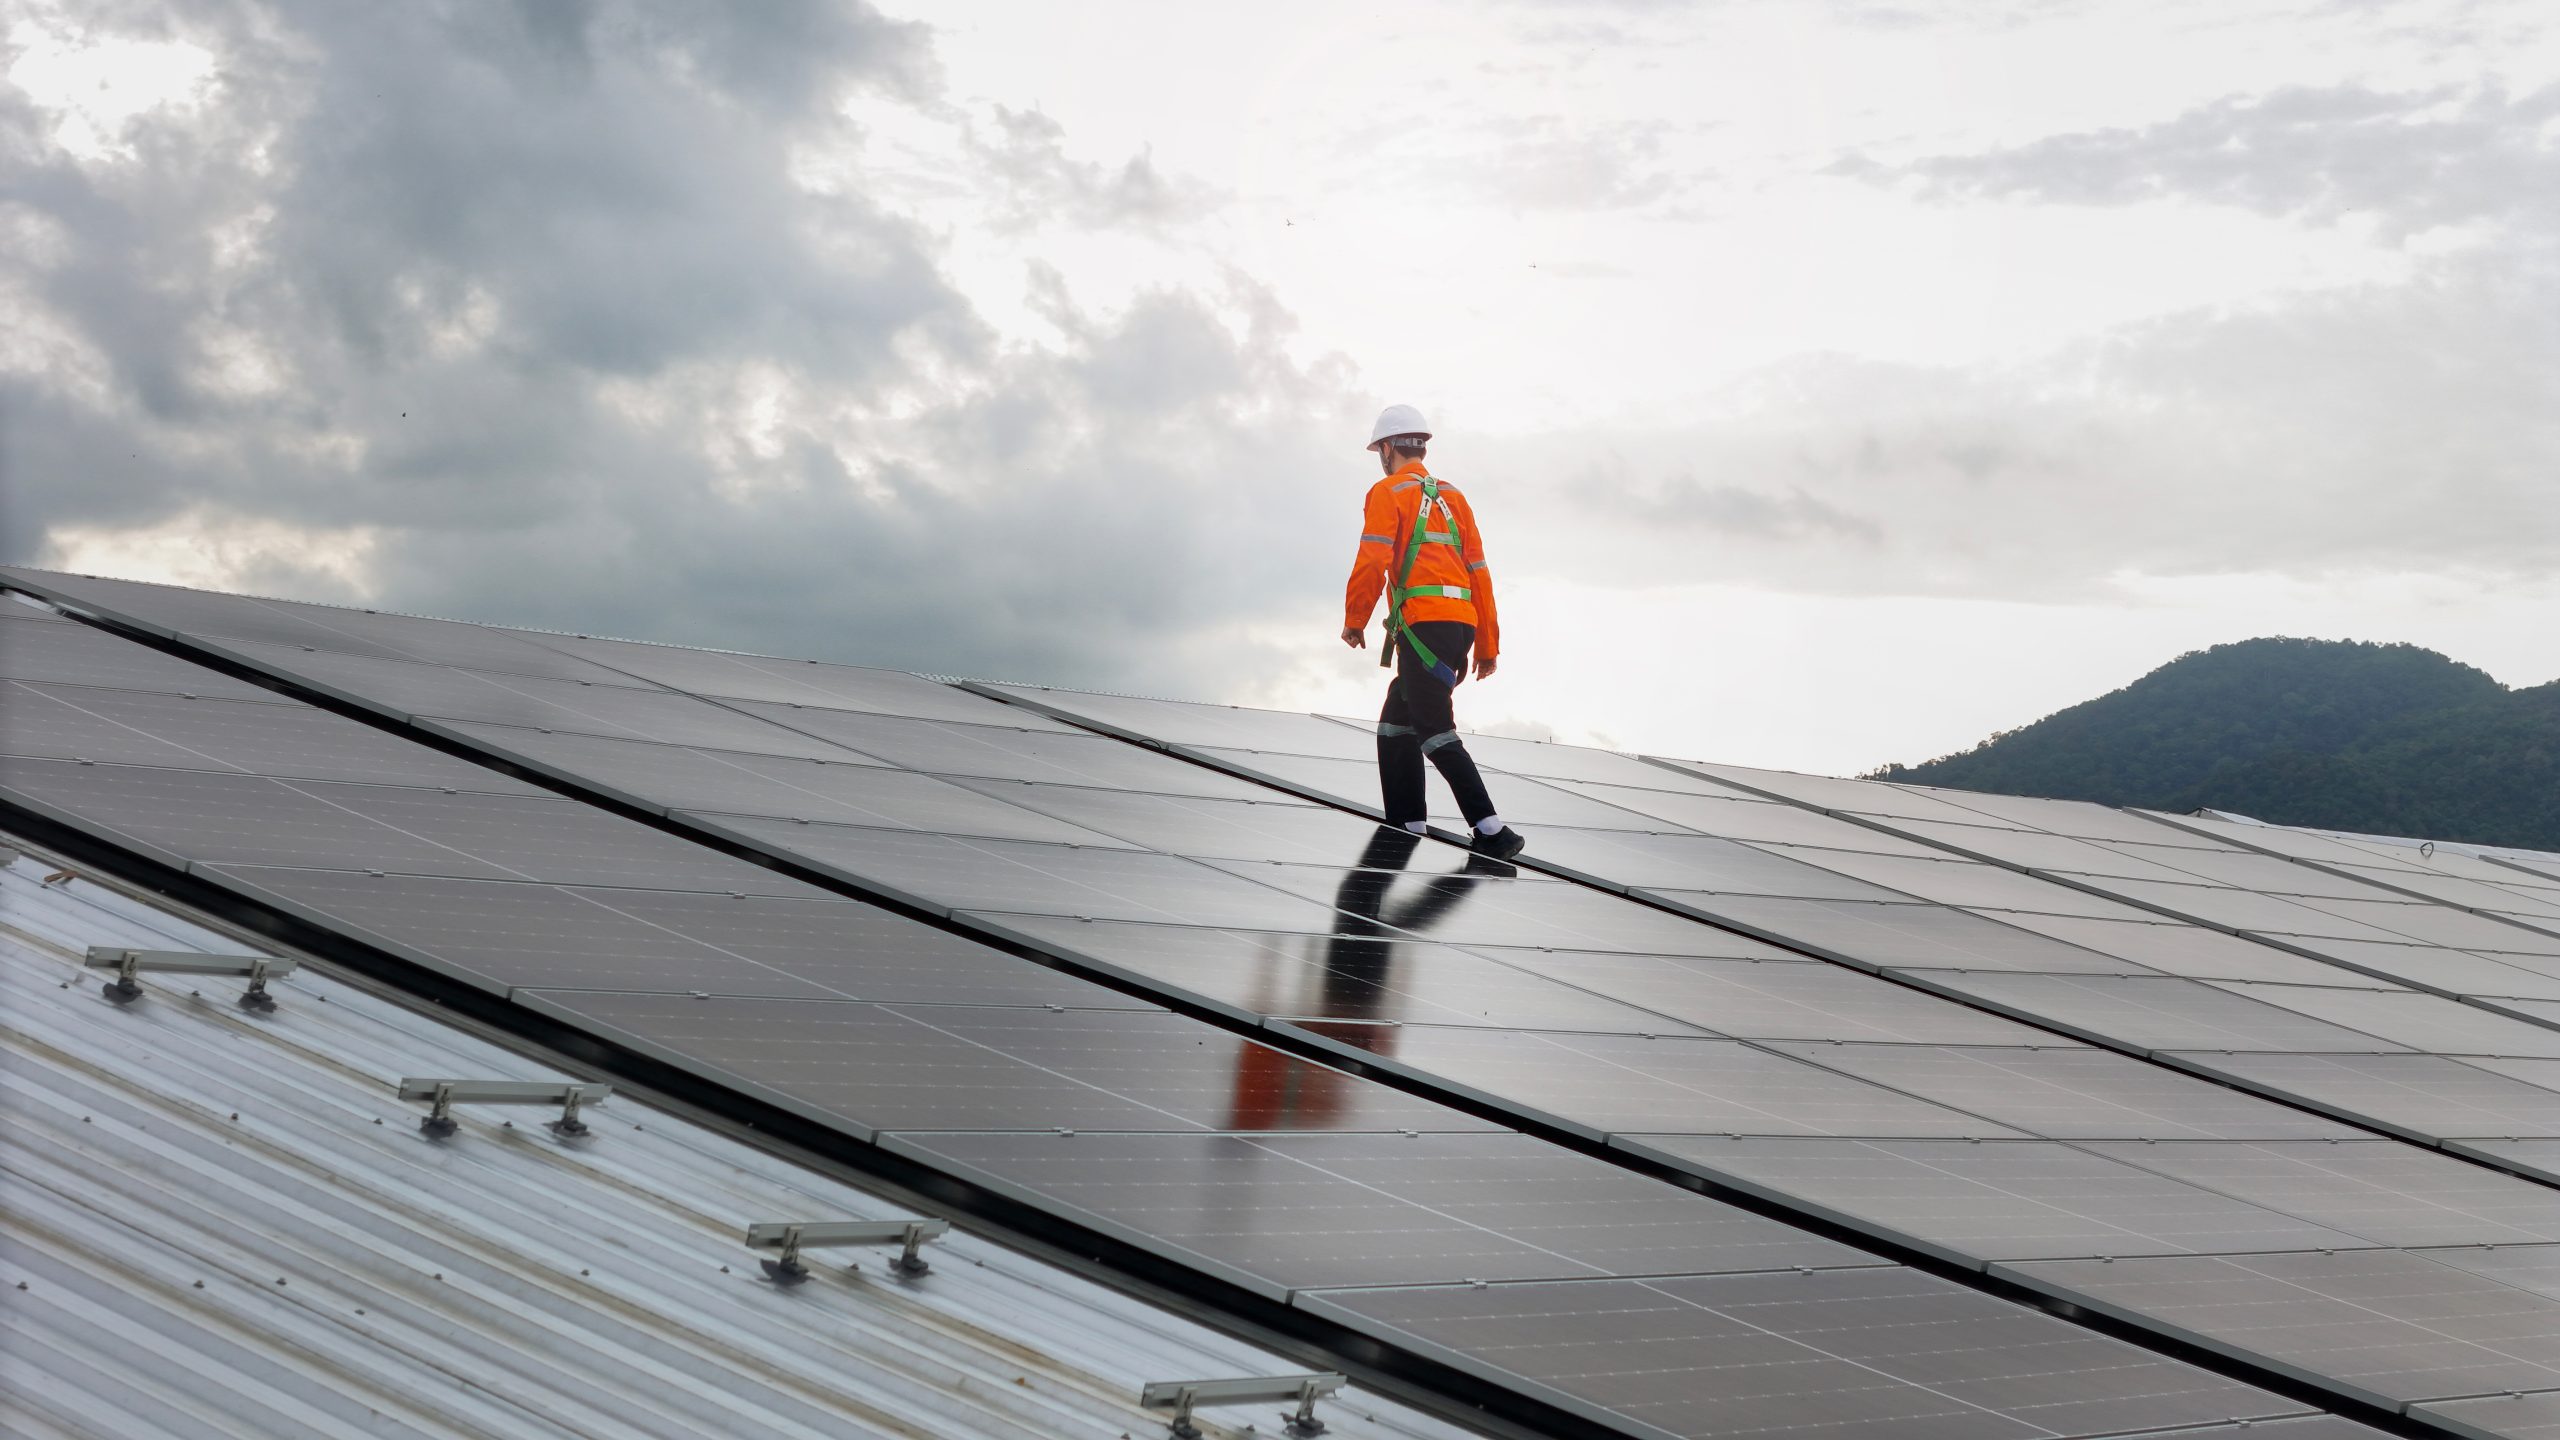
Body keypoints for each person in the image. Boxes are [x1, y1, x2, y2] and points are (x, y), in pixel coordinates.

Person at [1340, 404, 1526, 859]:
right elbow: (1479, 573)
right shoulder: (1453, 497)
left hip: (1424, 626)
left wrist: (1355, 619)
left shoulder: (1388, 492)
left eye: (1379, 450)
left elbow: (1373, 560)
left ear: (1387, 448)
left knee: (1435, 729)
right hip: (1459, 628)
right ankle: (1408, 821)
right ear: (1420, 445)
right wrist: (1487, 646)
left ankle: (1492, 828)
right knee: (1395, 721)